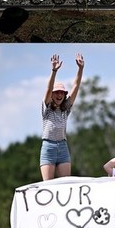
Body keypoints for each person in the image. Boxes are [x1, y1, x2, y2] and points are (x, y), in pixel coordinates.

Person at [41, 53, 84, 181]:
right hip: (48, 147)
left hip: (63, 147)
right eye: (56, 92)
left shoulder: (66, 108)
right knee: (48, 186)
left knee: (66, 184)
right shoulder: (47, 108)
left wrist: (80, 69)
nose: (59, 95)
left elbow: (76, 87)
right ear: (52, 95)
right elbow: (48, 90)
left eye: (62, 92)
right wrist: (54, 71)